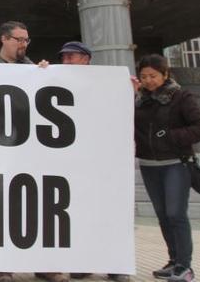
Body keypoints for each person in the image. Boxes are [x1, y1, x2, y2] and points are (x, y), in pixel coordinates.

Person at [0, 22, 62, 282]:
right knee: (4, 208)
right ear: (4, 39)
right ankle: (5, 266)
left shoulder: (32, 69)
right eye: (19, 39)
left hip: (30, 151)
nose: (24, 44)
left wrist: (47, 75)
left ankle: (44, 264)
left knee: (38, 207)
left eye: (27, 40)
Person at [57, 42, 130, 282]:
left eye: (72, 57)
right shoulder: (56, 82)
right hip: (72, 163)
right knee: (78, 214)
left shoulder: (105, 83)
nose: (67, 62)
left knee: (107, 213)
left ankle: (115, 265)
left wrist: (130, 92)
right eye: (64, 58)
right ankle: (84, 261)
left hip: (103, 161)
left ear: (86, 59)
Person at [134, 54, 200, 282]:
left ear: (165, 75)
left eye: (153, 76)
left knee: (176, 214)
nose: (148, 81)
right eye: (144, 76)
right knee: (163, 216)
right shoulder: (139, 99)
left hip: (176, 163)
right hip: (149, 164)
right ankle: (174, 260)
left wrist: (172, 136)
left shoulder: (180, 96)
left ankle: (185, 266)